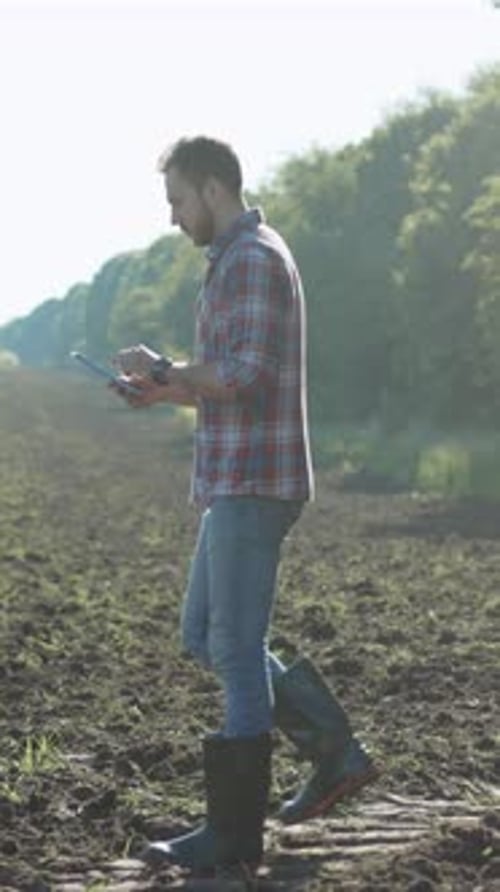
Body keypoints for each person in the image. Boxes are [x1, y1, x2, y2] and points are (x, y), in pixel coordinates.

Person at [111, 136, 377, 890]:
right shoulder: (231, 263)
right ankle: (331, 747)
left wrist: (168, 373)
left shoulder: (254, 259)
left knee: (232, 645)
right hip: (234, 476)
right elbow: (223, 376)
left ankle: (232, 835)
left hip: (255, 481)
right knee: (206, 634)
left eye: (177, 201)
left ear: (213, 190)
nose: (173, 218)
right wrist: (160, 385)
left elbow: (248, 373)